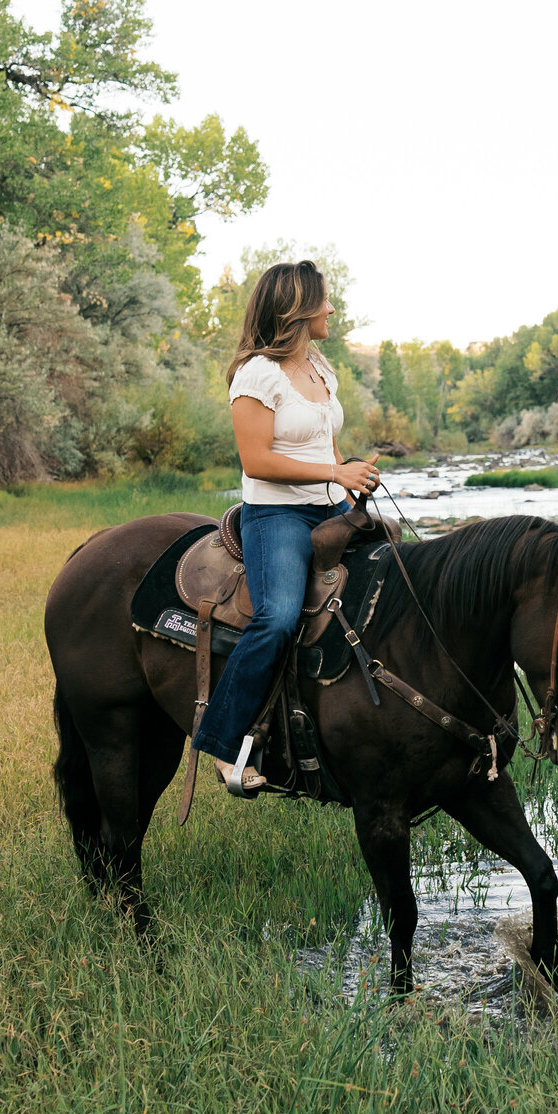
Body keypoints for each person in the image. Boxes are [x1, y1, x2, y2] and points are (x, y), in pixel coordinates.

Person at [192, 258, 380, 796]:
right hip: (276, 515)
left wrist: (351, 481)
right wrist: (332, 472)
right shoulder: (257, 374)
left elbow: (325, 441)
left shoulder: (319, 368)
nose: (332, 308)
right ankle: (225, 745)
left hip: (328, 508)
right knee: (275, 619)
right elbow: (256, 461)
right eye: (324, 299)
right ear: (297, 307)